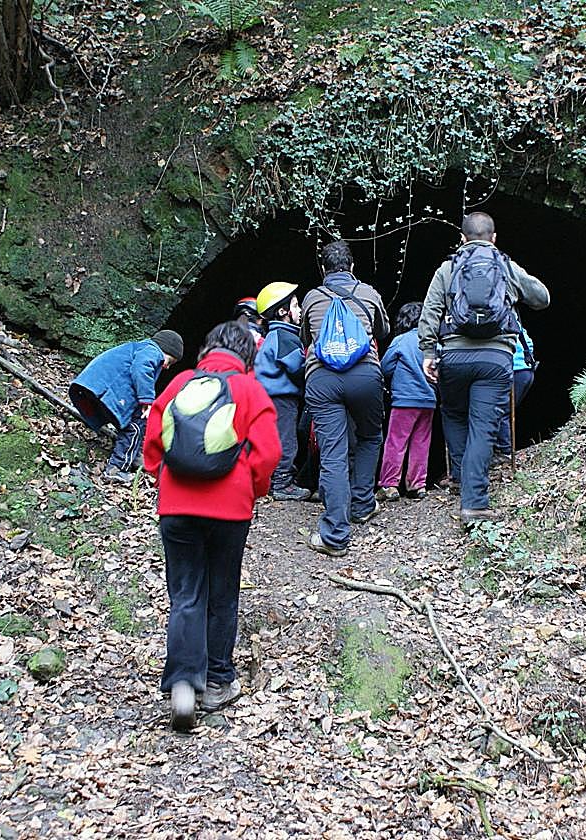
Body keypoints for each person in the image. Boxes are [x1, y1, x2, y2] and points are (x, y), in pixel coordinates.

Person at [142, 321, 280, 732]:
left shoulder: (180, 383)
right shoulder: (250, 390)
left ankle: (184, 685)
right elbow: (269, 453)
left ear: (206, 351)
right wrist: (251, 487)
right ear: (247, 357)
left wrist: (162, 478)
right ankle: (218, 681)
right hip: (229, 510)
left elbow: (153, 441)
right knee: (222, 592)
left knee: (186, 593)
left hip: (176, 506)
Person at [419, 212, 550, 523]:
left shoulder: (448, 268)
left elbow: (430, 312)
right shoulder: (505, 266)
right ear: (494, 238)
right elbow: (542, 298)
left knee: (454, 414)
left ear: (462, 238)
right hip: (495, 358)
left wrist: (428, 352)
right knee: (483, 426)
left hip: (454, 357)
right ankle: (474, 503)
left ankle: (460, 477)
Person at [300, 240, 390, 556]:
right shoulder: (369, 293)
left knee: (333, 452)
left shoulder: (312, 297)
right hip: (364, 375)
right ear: (352, 267)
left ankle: (335, 535)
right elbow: (382, 330)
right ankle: (362, 504)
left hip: (322, 378)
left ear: (323, 270)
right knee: (370, 436)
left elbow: (306, 339)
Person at [69, 330, 184, 483]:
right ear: (166, 349)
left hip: (94, 387)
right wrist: (148, 400)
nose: (167, 367)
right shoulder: (152, 351)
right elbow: (142, 369)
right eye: (170, 361)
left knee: (130, 421)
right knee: (135, 426)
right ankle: (117, 468)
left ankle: (133, 454)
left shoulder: (137, 348)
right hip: (110, 392)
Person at [254, 281, 310, 501]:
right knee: (286, 440)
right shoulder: (285, 337)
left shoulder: (274, 336)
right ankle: (282, 484)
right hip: (281, 398)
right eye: (295, 306)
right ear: (282, 311)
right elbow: (297, 368)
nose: (300, 310)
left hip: (269, 396)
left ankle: (271, 481)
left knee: (273, 439)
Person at [377, 302, 435, 501]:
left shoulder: (401, 340)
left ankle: (389, 484)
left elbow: (385, 367)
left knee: (396, 441)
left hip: (404, 400)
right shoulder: (433, 342)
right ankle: (417, 485)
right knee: (421, 442)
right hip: (428, 400)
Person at [494, 329, 537, 464]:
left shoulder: (498, 323)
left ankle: (505, 451)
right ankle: (504, 449)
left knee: (501, 410)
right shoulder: (514, 322)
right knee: (506, 410)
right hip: (526, 370)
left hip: (513, 370)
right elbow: (529, 343)